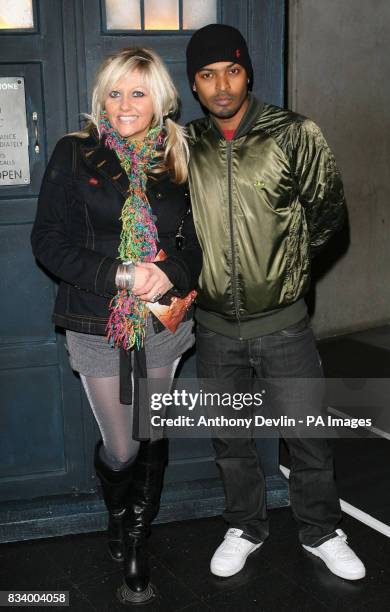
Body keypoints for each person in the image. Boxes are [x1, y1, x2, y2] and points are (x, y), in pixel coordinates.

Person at [185, 24, 365, 581]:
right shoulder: (183, 145)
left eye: (232, 71)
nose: (222, 85)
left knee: (307, 434)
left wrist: (287, 272)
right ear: (194, 84)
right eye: (208, 75)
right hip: (213, 328)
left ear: (248, 74)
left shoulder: (294, 134)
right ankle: (245, 525)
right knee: (231, 441)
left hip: (284, 325)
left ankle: (321, 531)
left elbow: (330, 214)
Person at [31, 47, 202, 605]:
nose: (126, 105)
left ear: (160, 98)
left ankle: (135, 539)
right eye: (115, 92)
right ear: (100, 98)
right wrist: (123, 275)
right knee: (123, 446)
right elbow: (48, 242)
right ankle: (117, 511)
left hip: (162, 322)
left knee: (152, 431)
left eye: (139, 91)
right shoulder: (74, 153)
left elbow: (195, 244)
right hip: (96, 317)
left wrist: (168, 272)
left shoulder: (179, 155)